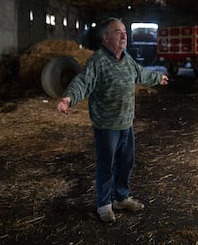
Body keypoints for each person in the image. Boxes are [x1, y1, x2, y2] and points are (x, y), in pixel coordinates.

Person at [57, 17, 168, 222]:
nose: (124, 35)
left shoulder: (127, 59)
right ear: (106, 37)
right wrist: (68, 98)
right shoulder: (97, 61)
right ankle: (104, 204)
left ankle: (121, 198)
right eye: (118, 31)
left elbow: (141, 74)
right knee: (106, 165)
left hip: (127, 123)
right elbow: (82, 81)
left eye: (125, 31)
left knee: (126, 163)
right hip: (106, 126)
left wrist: (157, 78)